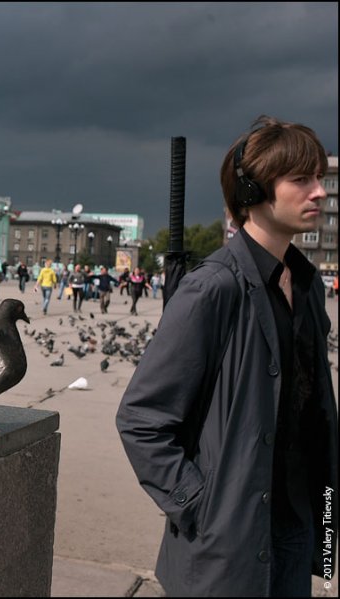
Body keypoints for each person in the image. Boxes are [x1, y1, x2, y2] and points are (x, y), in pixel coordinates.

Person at [115, 115, 337, 597]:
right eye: (302, 179)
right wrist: (198, 504)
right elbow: (141, 418)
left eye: (319, 178)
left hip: (295, 530)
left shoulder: (307, 285)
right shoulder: (212, 288)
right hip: (226, 544)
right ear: (254, 190)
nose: (319, 191)